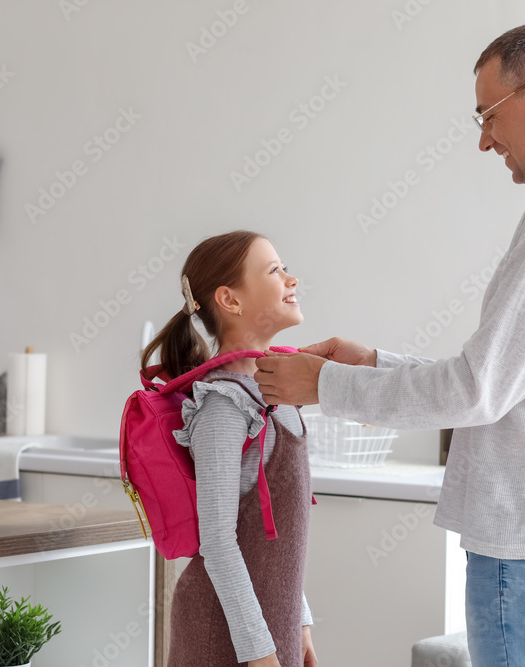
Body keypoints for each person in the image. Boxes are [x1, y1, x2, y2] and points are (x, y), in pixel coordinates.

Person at [254, 24, 525, 666]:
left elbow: (478, 389)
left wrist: (323, 385)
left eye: (488, 116)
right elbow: (519, 379)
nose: (484, 141)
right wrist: (374, 363)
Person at [143, 230, 317, 667]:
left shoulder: (280, 396)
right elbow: (219, 543)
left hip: (271, 625)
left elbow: (280, 538)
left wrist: (300, 622)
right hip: (223, 633)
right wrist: (259, 652)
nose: (291, 278)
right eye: (275, 270)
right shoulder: (223, 406)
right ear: (231, 301)